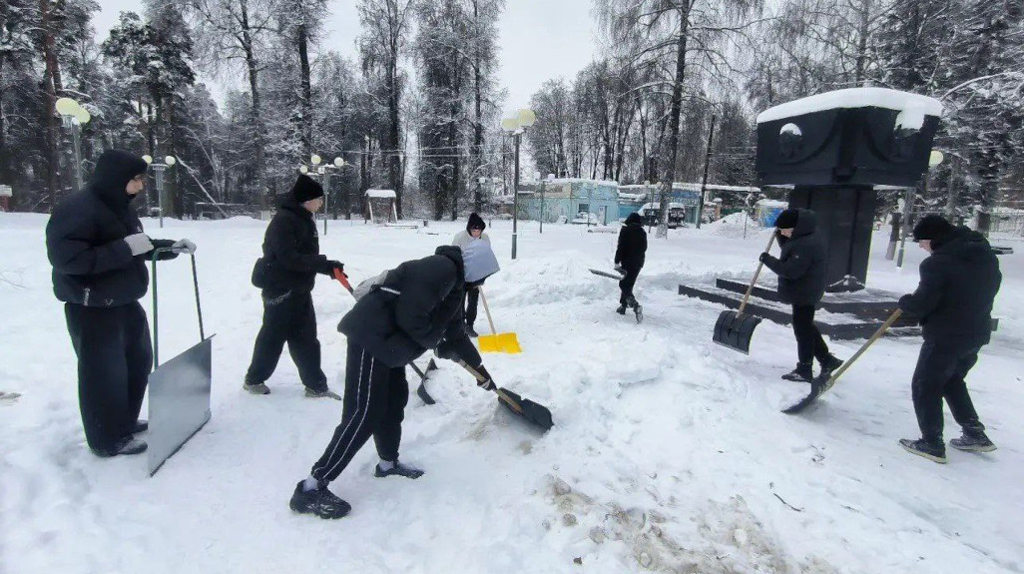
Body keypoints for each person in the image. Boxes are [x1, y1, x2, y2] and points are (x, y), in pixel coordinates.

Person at [289, 245, 497, 520]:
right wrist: (435, 342)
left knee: (393, 402)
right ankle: (311, 487)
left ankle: (388, 463)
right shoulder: (441, 268)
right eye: (483, 277)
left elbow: (456, 333)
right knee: (363, 413)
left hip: (391, 346)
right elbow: (410, 316)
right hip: (372, 336)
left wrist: (481, 372)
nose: (482, 283)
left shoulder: (454, 286)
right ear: (476, 269)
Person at [46, 149, 196, 457]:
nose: (141, 185)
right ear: (116, 179)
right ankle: (106, 438)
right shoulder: (77, 209)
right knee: (104, 374)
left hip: (124, 299)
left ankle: (123, 422)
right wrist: (124, 249)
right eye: (136, 179)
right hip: (92, 307)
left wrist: (169, 248)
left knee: (137, 361)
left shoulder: (120, 207)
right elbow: (67, 260)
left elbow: (136, 245)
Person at [897, 215, 1001, 463]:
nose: (922, 247)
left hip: (945, 335)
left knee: (925, 385)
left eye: (921, 242)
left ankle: (931, 443)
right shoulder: (984, 256)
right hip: (976, 332)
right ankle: (974, 433)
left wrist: (907, 303)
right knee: (951, 380)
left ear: (932, 238)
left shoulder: (936, 264)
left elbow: (923, 303)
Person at [244, 174, 344, 397]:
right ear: (307, 200)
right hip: (281, 290)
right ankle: (253, 380)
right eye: (319, 199)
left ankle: (316, 386)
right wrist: (323, 264)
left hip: (298, 289)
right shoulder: (284, 221)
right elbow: (289, 259)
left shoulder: (302, 218)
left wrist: (328, 267)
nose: (321, 203)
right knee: (272, 338)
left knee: (306, 339)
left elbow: (303, 257)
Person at [759, 208, 843, 383]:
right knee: (806, 326)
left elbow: (790, 270)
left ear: (795, 228)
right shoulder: (806, 235)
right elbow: (791, 250)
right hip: (806, 288)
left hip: (805, 291)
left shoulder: (805, 244)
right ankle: (827, 360)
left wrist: (768, 259)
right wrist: (782, 236)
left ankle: (805, 369)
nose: (782, 233)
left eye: (785, 230)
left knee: (803, 330)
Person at [452, 213, 490, 337]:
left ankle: (470, 325)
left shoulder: (485, 238)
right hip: (461, 274)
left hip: (475, 274)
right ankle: (461, 324)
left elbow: (486, 255)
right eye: (474, 230)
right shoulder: (460, 238)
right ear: (469, 228)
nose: (476, 233)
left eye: (479, 230)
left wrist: (481, 272)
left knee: (473, 300)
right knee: (460, 300)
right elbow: (453, 256)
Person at [614, 212, 647, 320]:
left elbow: (621, 247)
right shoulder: (642, 232)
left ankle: (635, 305)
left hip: (627, 262)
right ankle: (623, 306)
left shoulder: (625, 230)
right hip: (638, 263)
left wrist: (617, 261)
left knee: (623, 284)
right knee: (629, 284)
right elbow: (644, 248)